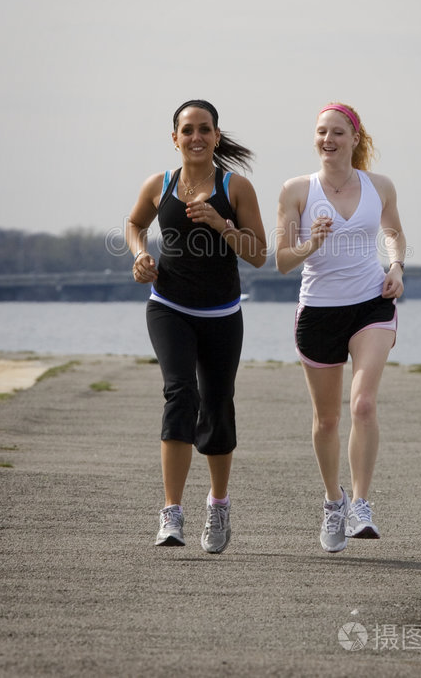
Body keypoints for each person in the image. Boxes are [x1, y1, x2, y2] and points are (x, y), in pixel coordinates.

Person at [127, 99, 266, 553]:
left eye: (204, 129)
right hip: (168, 306)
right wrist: (140, 256)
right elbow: (134, 224)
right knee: (180, 393)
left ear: (217, 136)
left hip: (222, 314)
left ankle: (218, 504)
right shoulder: (159, 184)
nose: (196, 137)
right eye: (187, 130)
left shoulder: (236, 187)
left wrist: (222, 224)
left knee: (218, 403)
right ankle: (171, 513)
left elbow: (259, 254)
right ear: (175, 138)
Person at [276, 102, 406, 553]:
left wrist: (397, 266)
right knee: (327, 419)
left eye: (336, 132)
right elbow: (281, 261)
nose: (327, 140)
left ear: (355, 138)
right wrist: (312, 241)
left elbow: (394, 231)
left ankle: (361, 503)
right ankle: (334, 501)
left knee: (364, 404)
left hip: (371, 303)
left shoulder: (379, 186)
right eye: (320, 132)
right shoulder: (296, 190)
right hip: (319, 311)